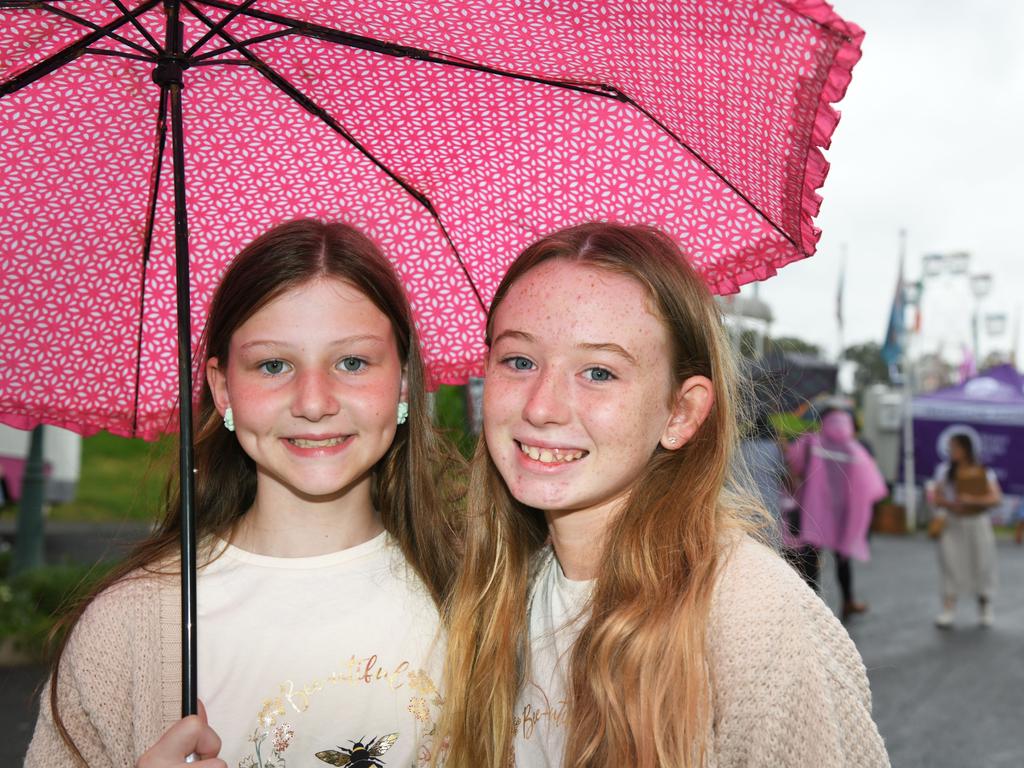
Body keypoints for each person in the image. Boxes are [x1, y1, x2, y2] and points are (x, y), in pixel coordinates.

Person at [437, 223, 889, 767]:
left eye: (599, 372)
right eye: (519, 361)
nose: (541, 406)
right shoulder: (494, 589)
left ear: (682, 413)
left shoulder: (750, 621)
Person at [26, 220, 463, 767]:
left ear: (402, 380)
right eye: (273, 365)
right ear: (221, 388)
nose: (312, 401)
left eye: (352, 362)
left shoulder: (480, 599)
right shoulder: (128, 629)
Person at [785, 409, 888, 621]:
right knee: (842, 558)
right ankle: (847, 601)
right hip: (842, 513)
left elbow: (791, 465)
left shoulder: (811, 443)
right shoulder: (854, 449)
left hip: (814, 511)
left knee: (811, 559)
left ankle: (811, 606)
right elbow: (874, 485)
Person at [929, 432, 1001, 629]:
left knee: (982, 565)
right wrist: (952, 504)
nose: (951, 451)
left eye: (955, 447)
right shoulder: (944, 471)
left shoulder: (983, 471)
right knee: (950, 565)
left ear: (966, 449)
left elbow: (995, 498)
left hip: (977, 522)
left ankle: (984, 606)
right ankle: (948, 608)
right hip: (953, 523)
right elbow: (936, 497)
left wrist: (971, 500)